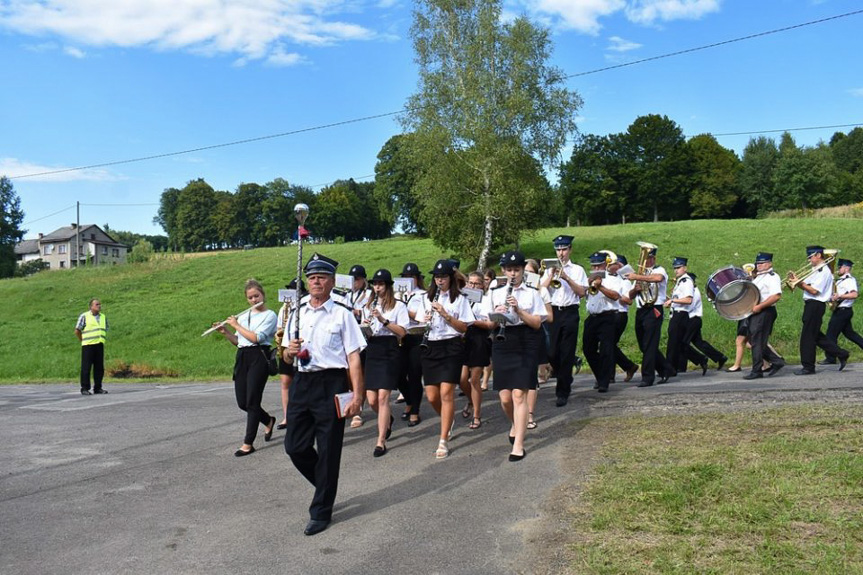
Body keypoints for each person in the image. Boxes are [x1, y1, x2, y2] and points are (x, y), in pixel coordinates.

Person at [283, 253, 365, 536]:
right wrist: (288, 352)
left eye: (321, 277)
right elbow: (284, 353)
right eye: (312, 277)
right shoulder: (298, 312)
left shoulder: (342, 313)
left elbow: (353, 357)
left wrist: (357, 395)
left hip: (331, 383)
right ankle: (325, 485)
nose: (316, 281)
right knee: (294, 446)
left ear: (331, 282)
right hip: (302, 381)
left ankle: (321, 510)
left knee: (329, 449)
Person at [481, 250, 547, 461]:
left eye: (516, 270)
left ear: (522, 271)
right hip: (503, 340)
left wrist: (518, 311)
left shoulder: (532, 292)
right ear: (503, 271)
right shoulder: (494, 292)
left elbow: (537, 323)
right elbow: (488, 323)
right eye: (509, 270)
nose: (513, 274)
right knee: (505, 397)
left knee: (519, 394)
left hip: (526, 340)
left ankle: (518, 445)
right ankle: (515, 424)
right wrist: (498, 314)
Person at [418, 259, 476, 459]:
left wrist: (446, 315)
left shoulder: (459, 299)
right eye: (437, 277)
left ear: (450, 278)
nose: (440, 280)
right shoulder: (426, 298)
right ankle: (447, 417)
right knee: (432, 395)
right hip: (430, 346)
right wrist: (424, 319)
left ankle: (443, 439)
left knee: (446, 392)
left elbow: (464, 328)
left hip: (451, 345)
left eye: (443, 277)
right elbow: (417, 322)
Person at [214, 279, 278, 457]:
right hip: (243, 357)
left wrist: (236, 325)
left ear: (263, 295)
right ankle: (268, 420)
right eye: (250, 297)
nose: (254, 300)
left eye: (256, 296)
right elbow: (239, 341)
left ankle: (248, 443)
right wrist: (226, 332)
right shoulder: (244, 316)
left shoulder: (270, 315)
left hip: (259, 356)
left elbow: (256, 338)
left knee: (252, 402)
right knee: (243, 402)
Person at [361, 269, 409, 457]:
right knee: (371, 399)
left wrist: (383, 320)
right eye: (375, 284)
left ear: (388, 286)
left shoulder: (398, 306)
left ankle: (381, 440)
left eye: (381, 284)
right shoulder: (369, 304)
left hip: (390, 348)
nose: (377, 287)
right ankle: (387, 417)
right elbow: (367, 330)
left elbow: (403, 332)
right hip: (373, 348)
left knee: (383, 397)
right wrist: (366, 325)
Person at [541, 235, 588, 406]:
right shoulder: (548, 269)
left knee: (567, 351)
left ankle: (562, 392)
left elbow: (582, 293)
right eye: (558, 249)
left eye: (564, 249)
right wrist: (551, 275)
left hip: (570, 312)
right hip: (553, 311)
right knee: (551, 352)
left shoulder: (577, 270)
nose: (561, 253)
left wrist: (567, 278)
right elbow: (540, 290)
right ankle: (566, 376)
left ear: (570, 250)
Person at [788, 246, 849, 375]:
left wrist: (799, 282)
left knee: (807, 337)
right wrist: (797, 281)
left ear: (818, 255)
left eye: (811, 256)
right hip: (811, 304)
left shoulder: (823, 271)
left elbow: (814, 291)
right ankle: (841, 354)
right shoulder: (815, 270)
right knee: (815, 335)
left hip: (816, 304)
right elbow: (807, 286)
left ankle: (808, 367)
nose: (809, 259)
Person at [627, 245, 672, 387]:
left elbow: (658, 278)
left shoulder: (659, 270)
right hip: (641, 310)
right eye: (645, 258)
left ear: (654, 258)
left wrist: (638, 277)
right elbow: (630, 296)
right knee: (643, 345)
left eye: (649, 258)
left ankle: (647, 377)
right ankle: (666, 368)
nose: (647, 261)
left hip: (654, 308)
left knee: (650, 344)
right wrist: (635, 288)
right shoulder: (641, 273)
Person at [583, 252, 622, 393]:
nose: (595, 268)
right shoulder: (588, 279)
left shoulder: (612, 279)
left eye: (598, 265)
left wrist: (601, 287)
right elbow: (582, 294)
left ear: (605, 265)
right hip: (592, 317)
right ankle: (600, 375)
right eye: (593, 266)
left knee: (606, 350)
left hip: (608, 317)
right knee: (587, 349)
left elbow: (616, 296)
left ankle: (604, 381)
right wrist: (587, 285)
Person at [459, 271, 494, 430]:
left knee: (474, 379)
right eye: (470, 283)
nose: (472, 286)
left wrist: (472, 320)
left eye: (476, 284)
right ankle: (471, 401)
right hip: (463, 339)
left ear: (483, 285)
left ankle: (477, 415)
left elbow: (489, 325)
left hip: (479, 338)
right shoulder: (461, 298)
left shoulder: (486, 300)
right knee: (461, 378)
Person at [744, 252, 785, 380]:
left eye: (762, 263)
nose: (759, 265)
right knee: (753, 340)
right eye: (758, 263)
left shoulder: (772, 277)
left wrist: (760, 306)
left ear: (769, 264)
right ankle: (777, 361)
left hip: (765, 311)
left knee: (756, 341)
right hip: (756, 311)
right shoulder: (759, 277)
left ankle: (757, 370)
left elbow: (776, 296)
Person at [663, 258, 708, 375]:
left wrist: (672, 300)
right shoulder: (680, 281)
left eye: (678, 268)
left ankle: (669, 369)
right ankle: (700, 359)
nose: (676, 270)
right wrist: (670, 301)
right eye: (675, 268)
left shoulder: (687, 281)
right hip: (677, 314)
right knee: (679, 344)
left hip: (681, 315)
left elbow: (688, 299)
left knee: (673, 344)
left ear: (685, 268)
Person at [524, 259, 553, 428]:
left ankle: (529, 415)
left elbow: (549, 317)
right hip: (517, 337)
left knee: (531, 376)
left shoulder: (541, 291)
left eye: (530, 272)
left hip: (535, 333)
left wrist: (536, 307)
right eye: (524, 272)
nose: (527, 275)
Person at [682, 273, 727, 371]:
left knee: (682, 344)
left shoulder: (693, 292)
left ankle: (700, 359)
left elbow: (687, 306)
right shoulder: (692, 290)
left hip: (692, 319)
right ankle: (719, 357)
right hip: (693, 320)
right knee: (699, 343)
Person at [821, 259, 863, 364]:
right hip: (841, 310)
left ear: (846, 268)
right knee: (850, 334)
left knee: (831, 334)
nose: (838, 269)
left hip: (843, 311)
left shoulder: (849, 280)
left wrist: (840, 296)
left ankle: (831, 358)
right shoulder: (841, 280)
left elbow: (854, 295)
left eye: (840, 267)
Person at [275, 278, 303, 430]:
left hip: (300, 349)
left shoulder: (304, 308)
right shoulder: (283, 308)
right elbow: (279, 328)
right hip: (285, 348)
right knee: (285, 383)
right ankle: (287, 416)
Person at [607, 255, 639, 382]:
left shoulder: (624, 281)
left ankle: (614, 373)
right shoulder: (606, 277)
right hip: (608, 314)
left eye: (615, 263)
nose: (610, 265)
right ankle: (627, 367)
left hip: (619, 314)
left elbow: (628, 301)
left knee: (608, 344)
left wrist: (614, 295)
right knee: (609, 344)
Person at [75, 298, 108, 395]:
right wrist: (82, 340)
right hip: (88, 345)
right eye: (97, 304)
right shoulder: (84, 316)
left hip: (99, 344)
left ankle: (98, 387)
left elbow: (105, 328)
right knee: (86, 367)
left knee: (99, 367)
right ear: (91, 306)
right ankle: (85, 388)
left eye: (100, 304)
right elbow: (77, 330)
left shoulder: (103, 317)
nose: (99, 306)